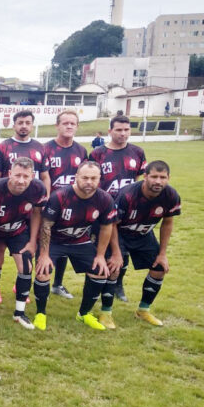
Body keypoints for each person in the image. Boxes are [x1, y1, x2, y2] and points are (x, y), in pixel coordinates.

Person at [33, 161, 117, 331]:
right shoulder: (60, 196)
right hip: (55, 240)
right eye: (85, 177)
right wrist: (44, 254)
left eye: (93, 178)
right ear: (76, 177)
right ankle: (40, 313)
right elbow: (46, 226)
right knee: (43, 270)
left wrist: (100, 255)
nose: (89, 182)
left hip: (80, 241)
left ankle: (84, 313)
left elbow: (107, 227)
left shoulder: (104, 199)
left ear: (99, 179)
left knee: (100, 271)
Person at [99, 160, 181, 327]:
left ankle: (143, 310)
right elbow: (113, 224)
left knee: (159, 268)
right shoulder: (128, 194)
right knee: (114, 268)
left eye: (163, 177)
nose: (158, 181)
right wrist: (116, 253)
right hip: (120, 233)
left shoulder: (171, 196)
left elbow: (167, 222)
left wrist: (162, 254)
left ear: (168, 178)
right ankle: (106, 313)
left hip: (143, 235)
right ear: (145, 177)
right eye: (154, 177)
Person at [89, 114, 146, 302]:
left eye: (126, 130)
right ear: (110, 131)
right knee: (104, 249)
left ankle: (117, 285)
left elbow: (138, 180)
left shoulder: (138, 152)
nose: (123, 134)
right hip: (104, 209)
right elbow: (92, 180)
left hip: (128, 211)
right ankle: (99, 285)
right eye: (119, 130)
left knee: (124, 249)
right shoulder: (98, 153)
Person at [0, 157, 46, 329]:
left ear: (32, 176)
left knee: (26, 266)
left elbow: (36, 214)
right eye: (17, 175)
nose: (21, 180)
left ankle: (19, 313)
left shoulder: (38, 188)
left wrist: (33, 241)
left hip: (18, 231)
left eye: (26, 176)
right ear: (10, 173)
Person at [43, 110, 89, 300]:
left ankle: (57, 284)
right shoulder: (45, 149)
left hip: (74, 208)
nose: (69, 126)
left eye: (73, 123)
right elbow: (42, 178)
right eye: (65, 123)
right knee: (43, 246)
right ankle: (24, 281)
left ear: (77, 126)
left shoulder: (81, 151)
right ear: (57, 125)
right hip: (51, 207)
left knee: (66, 243)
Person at [0, 110, 51, 194]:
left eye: (28, 123)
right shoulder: (2, 147)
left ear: (32, 126)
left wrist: (46, 197)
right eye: (20, 123)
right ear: (14, 126)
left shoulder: (40, 147)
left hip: (33, 196)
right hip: (8, 197)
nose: (24, 126)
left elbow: (45, 177)